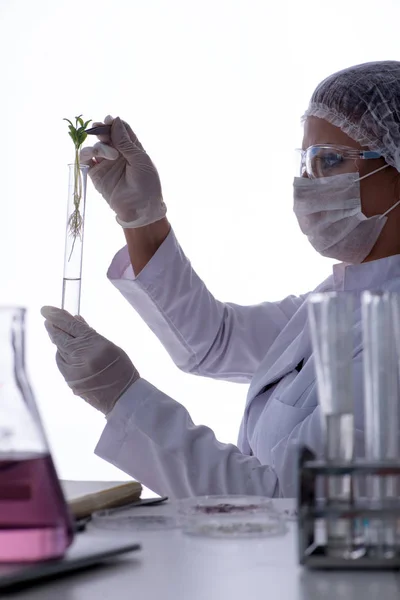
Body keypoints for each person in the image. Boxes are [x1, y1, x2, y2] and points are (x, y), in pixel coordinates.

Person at [42, 60, 400, 499]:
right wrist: (141, 217)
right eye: (306, 162)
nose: (307, 183)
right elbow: (215, 341)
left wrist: (122, 398)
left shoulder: (393, 330)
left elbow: (289, 500)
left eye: (329, 160)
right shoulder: (341, 297)